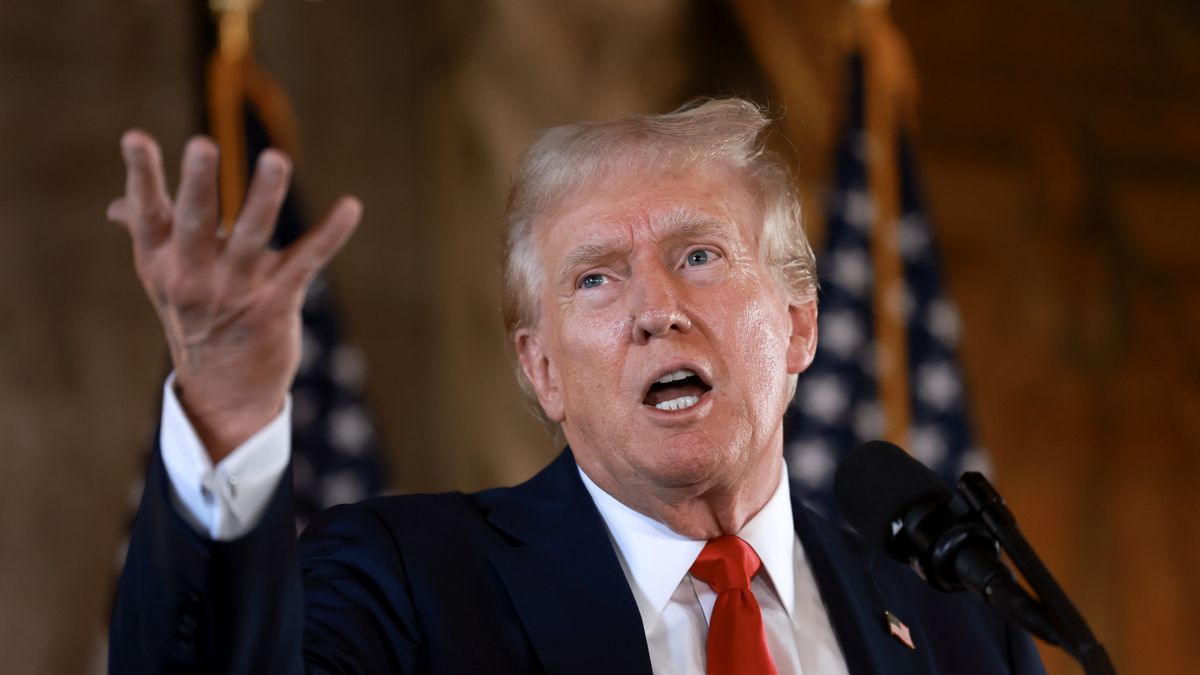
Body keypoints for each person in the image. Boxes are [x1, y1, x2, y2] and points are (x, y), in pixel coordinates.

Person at [107, 99, 1045, 674]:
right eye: (596, 277)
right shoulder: (406, 583)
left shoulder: (959, 621)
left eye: (699, 254)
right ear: (542, 368)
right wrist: (226, 416)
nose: (655, 309)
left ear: (799, 324)